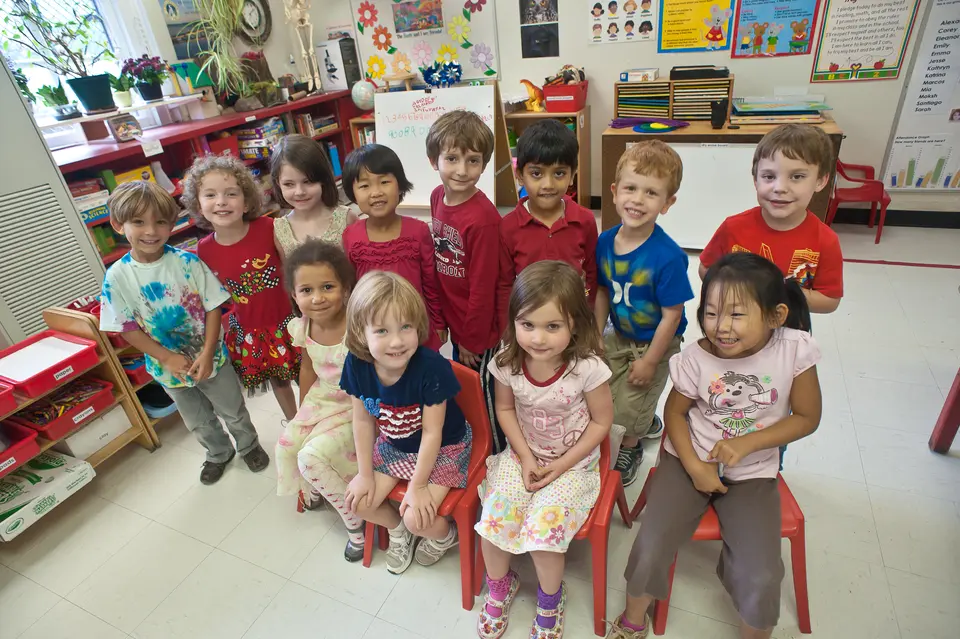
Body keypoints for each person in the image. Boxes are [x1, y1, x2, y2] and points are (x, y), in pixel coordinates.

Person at [605, 252, 821, 639]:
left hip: (753, 473)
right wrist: (694, 467)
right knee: (651, 544)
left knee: (762, 573)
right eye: (710, 312)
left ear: (775, 316)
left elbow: (807, 417)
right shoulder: (696, 357)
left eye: (736, 315)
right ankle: (632, 621)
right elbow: (674, 414)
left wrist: (749, 443)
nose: (721, 327)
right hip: (688, 460)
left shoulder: (794, 350)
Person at [476, 261, 613, 639]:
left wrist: (561, 465)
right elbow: (505, 410)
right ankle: (500, 587)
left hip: (573, 465)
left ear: (575, 324)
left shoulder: (587, 368)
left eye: (553, 326)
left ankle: (551, 599)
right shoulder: (507, 360)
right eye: (527, 324)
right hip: (522, 455)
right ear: (514, 321)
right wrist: (525, 457)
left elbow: (602, 423)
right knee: (494, 523)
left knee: (543, 537)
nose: (538, 338)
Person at [99, 181, 268, 485]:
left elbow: (213, 306)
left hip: (211, 358)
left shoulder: (187, 262)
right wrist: (166, 357)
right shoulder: (117, 276)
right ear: (118, 224)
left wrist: (208, 351)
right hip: (167, 369)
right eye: (139, 222)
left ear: (171, 224)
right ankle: (218, 453)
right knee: (197, 419)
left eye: (160, 222)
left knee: (233, 410)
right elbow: (127, 328)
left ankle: (249, 446)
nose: (151, 231)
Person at [342, 272, 472, 575]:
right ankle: (398, 531)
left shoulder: (432, 368)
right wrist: (364, 474)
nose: (397, 341)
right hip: (394, 444)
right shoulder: (356, 363)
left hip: (445, 447)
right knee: (358, 502)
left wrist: (419, 485)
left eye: (406, 327)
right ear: (361, 332)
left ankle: (446, 537)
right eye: (382, 330)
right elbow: (362, 420)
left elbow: (433, 432)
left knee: (419, 520)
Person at [595, 141, 694, 487]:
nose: (637, 200)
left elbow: (672, 315)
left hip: (656, 343)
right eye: (631, 188)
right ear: (614, 191)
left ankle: (632, 445)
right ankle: (644, 418)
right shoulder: (605, 242)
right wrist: (595, 333)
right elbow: (603, 290)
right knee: (606, 391)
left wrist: (651, 361)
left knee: (631, 403)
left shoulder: (667, 256)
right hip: (619, 333)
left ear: (667, 203)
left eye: (651, 193)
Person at [186, 154, 301, 421]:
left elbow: (295, 273)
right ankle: (295, 425)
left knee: (309, 373)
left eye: (231, 193)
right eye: (210, 195)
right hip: (253, 330)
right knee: (279, 381)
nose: (221, 201)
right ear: (198, 205)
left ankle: (319, 419)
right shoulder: (203, 250)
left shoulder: (269, 227)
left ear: (247, 200)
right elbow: (213, 297)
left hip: (291, 320)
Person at [275, 240, 364, 561]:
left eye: (327, 287)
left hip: (357, 403)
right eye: (306, 290)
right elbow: (307, 367)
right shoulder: (302, 327)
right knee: (286, 445)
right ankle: (315, 488)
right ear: (294, 295)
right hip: (322, 398)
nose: (317, 298)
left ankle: (355, 524)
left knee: (311, 457)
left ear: (346, 288)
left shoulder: (358, 326)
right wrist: (303, 411)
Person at [699, 123, 843, 314]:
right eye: (768, 176)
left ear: (820, 181)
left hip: (790, 328)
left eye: (797, 176)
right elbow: (705, 269)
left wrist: (775, 293)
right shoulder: (732, 227)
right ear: (755, 180)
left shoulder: (826, 241)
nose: (780, 188)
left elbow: (829, 301)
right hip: (735, 325)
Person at [426, 110, 505, 453]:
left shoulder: (484, 219)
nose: (462, 170)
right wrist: (442, 321)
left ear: (484, 165)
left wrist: (472, 340)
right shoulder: (436, 197)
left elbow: (484, 287)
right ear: (434, 161)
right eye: (452, 159)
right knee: (465, 388)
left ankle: (495, 451)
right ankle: (475, 439)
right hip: (457, 322)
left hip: (480, 332)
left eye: (473, 160)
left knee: (484, 393)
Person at [341, 144, 447, 351]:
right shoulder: (350, 236)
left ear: (399, 185)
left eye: (384, 182)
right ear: (352, 194)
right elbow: (351, 289)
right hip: (374, 329)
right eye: (365, 186)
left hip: (415, 324)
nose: (376, 192)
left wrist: (438, 322)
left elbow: (431, 282)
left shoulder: (418, 231)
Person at [496, 119, 598, 335]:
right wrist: (508, 331)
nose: (548, 184)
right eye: (536, 173)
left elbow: (591, 275)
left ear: (573, 174)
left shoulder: (585, 220)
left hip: (573, 325)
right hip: (529, 329)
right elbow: (505, 285)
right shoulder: (508, 227)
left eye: (559, 173)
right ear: (519, 175)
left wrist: (588, 319)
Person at [269, 134, 358, 257]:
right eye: (289, 184)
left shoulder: (347, 219)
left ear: (322, 178)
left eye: (308, 182)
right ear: (278, 183)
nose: (299, 192)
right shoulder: (280, 230)